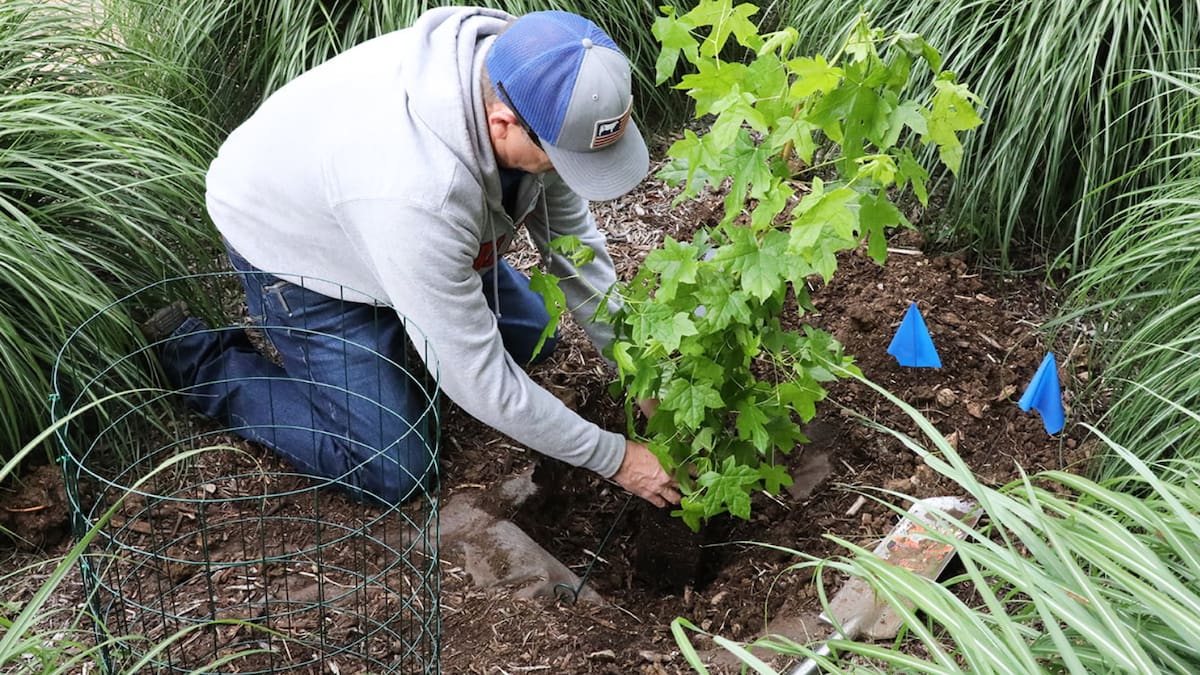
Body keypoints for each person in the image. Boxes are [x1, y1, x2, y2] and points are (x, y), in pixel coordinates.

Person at [145, 7, 681, 509]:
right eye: (562, 161)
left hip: (384, 222)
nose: (569, 173)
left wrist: (641, 376)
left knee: (536, 334)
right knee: (395, 470)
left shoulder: (538, 85)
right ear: (501, 124)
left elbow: (577, 255)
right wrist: (615, 459)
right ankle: (199, 358)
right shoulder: (419, 194)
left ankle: (414, 311)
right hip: (299, 247)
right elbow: (478, 378)